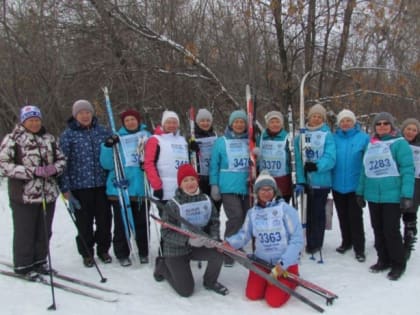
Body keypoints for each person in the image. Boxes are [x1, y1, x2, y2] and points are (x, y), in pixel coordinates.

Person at [0, 105, 66, 279]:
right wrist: (32, 171)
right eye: (31, 120)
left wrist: (54, 169)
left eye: (37, 120)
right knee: (25, 230)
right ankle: (23, 264)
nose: (35, 123)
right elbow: (4, 166)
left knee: (44, 230)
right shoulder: (13, 139)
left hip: (48, 193)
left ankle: (40, 260)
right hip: (24, 195)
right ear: (24, 121)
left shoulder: (49, 138)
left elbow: (61, 159)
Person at [225, 171, 303, 307]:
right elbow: (244, 235)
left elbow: (297, 240)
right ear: (257, 191)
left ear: (274, 191)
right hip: (262, 262)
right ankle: (269, 283)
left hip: (284, 265)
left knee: (273, 301)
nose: (266, 192)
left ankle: (291, 280)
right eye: (262, 189)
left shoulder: (286, 210)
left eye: (269, 189)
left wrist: (282, 265)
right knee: (252, 295)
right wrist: (230, 243)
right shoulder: (252, 213)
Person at [153, 164, 228, 297]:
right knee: (186, 291)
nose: (190, 183)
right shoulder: (173, 204)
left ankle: (210, 281)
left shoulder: (206, 200)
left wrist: (213, 238)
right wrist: (187, 240)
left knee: (218, 252)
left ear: (197, 180)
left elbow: (214, 221)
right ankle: (163, 266)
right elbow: (166, 233)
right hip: (176, 250)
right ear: (180, 184)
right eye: (185, 180)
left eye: (192, 179)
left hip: (198, 245)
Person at [356, 112, 414, 280]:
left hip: (392, 195)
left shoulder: (399, 144)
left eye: (385, 123)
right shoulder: (371, 144)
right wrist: (360, 192)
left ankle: (398, 263)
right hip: (374, 195)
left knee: (391, 230)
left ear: (391, 126)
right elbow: (364, 170)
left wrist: (406, 195)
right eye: (379, 124)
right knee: (378, 229)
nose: (382, 126)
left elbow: (407, 170)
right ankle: (383, 259)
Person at [59, 100, 113, 267]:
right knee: (84, 222)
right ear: (76, 115)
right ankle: (87, 252)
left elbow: (112, 154)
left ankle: (103, 249)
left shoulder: (102, 131)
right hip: (80, 187)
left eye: (87, 112)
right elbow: (62, 163)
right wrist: (65, 188)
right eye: (81, 113)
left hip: (102, 185)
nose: (85, 115)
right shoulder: (68, 135)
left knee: (105, 220)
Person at [100, 109, 151, 266]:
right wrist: (108, 146)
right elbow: (106, 164)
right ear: (123, 122)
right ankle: (122, 253)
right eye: (127, 120)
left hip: (141, 188)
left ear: (138, 120)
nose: (130, 122)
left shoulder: (146, 136)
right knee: (122, 224)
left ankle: (143, 251)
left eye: (133, 119)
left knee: (142, 223)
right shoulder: (117, 138)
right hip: (121, 189)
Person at [294, 103, 336, 256]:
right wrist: (300, 180)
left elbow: (331, 157)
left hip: (322, 181)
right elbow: (299, 162)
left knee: (318, 213)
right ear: (309, 117)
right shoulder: (300, 136)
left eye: (319, 116)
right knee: (307, 212)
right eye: (314, 116)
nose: (316, 119)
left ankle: (315, 243)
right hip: (307, 181)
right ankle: (308, 238)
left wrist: (317, 166)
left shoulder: (327, 134)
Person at [209, 110, 250, 266]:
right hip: (228, 186)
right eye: (236, 122)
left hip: (247, 185)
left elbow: (255, 162)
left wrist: (257, 156)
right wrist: (214, 184)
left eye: (242, 122)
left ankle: (237, 245)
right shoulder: (221, 141)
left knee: (246, 217)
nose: (239, 125)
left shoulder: (250, 140)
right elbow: (214, 165)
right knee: (235, 217)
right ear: (231, 124)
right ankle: (228, 249)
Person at [331, 109, 369, 262]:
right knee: (342, 216)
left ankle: (359, 248)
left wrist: (364, 185)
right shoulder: (334, 138)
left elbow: (367, 162)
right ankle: (346, 241)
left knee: (355, 218)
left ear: (354, 122)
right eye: (342, 121)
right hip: (338, 185)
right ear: (339, 124)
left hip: (355, 185)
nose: (345, 123)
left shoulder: (363, 138)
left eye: (348, 120)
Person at [143, 110, 189, 203]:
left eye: (174, 122)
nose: (172, 125)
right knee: (167, 217)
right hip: (164, 189)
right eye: (168, 122)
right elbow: (149, 164)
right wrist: (156, 186)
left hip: (183, 188)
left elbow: (187, 162)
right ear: (163, 124)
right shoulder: (155, 139)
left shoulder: (182, 140)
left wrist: (192, 149)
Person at [188, 108, 221, 212]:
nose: (205, 123)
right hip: (200, 177)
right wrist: (190, 149)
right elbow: (186, 158)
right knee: (202, 208)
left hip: (215, 177)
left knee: (215, 209)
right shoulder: (192, 137)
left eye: (208, 121)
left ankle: (214, 227)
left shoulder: (216, 136)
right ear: (197, 122)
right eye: (202, 121)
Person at [255, 110, 293, 203]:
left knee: (281, 209)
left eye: (277, 122)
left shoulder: (288, 138)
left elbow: (293, 159)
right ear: (267, 124)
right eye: (272, 122)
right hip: (264, 180)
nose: (275, 124)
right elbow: (254, 158)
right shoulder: (261, 138)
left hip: (282, 180)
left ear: (282, 123)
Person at [400, 118, 420, 260]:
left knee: (410, 213)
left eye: (414, 130)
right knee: (395, 213)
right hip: (397, 182)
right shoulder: (396, 143)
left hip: (415, 183)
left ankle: (408, 241)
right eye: (408, 129)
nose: (411, 132)